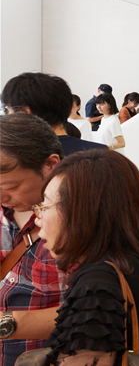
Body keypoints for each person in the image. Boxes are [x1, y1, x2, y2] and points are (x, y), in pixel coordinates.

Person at [35, 150, 139, 366]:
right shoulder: (133, 259)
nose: (38, 218)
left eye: (45, 206)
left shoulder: (96, 285)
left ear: (82, 212)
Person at [0, 114, 64, 366]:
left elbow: (92, 309)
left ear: (50, 165)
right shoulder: (6, 211)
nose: (2, 196)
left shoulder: (81, 223)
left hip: (43, 357)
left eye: (10, 186)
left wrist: (6, 324)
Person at [1, 72, 105, 156]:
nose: (8, 116)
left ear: (27, 112)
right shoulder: (101, 154)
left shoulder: (15, 157)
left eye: (7, 109)